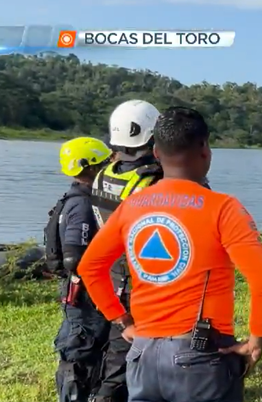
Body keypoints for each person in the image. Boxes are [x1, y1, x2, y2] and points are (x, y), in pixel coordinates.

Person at [76, 106, 262, 402]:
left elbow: (90, 267)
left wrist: (122, 321)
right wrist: (256, 339)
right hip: (202, 358)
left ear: (156, 152)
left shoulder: (132, 205)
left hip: (142, 355)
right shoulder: (223, 208)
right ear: (205, 150)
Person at [88, 99, 164, 402]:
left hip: (112, 273)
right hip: (142, 279)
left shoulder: (102, 175)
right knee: (130, 355)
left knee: (117, 347)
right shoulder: (152, 181)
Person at [47, 137, 113, 402]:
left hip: (83, 295)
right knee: (82, 355)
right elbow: (74, 257)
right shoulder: (83, 204)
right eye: (104, 163)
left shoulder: (76, 198)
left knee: (88, 352)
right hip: (86, 298)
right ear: (90, 168)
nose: (108, 168)